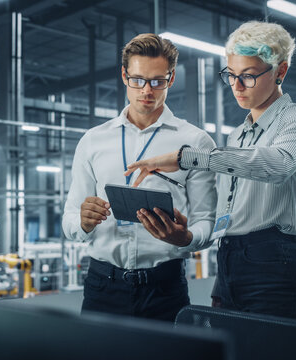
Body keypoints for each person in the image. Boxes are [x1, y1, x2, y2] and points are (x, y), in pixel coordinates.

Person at [124, 21, 296, 322]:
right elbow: (232, 212)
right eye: (230, 75)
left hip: (278, 264)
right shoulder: (238, 136)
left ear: (280, 72)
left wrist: (187, 157)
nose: (237, 86)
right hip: (232, 261)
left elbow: (279, 164)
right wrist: (187, 231)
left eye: (248, 76)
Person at [62, 33, 217, 322]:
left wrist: (186, 237)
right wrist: (82, 222)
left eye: (158, 81)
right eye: (138, 80)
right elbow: (70, 218)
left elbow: (207, 221)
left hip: (164, 289)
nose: (147, 90)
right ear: (124, 75)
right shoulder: (93, 140)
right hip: (102, 287)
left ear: (171, 79)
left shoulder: (195, 142)